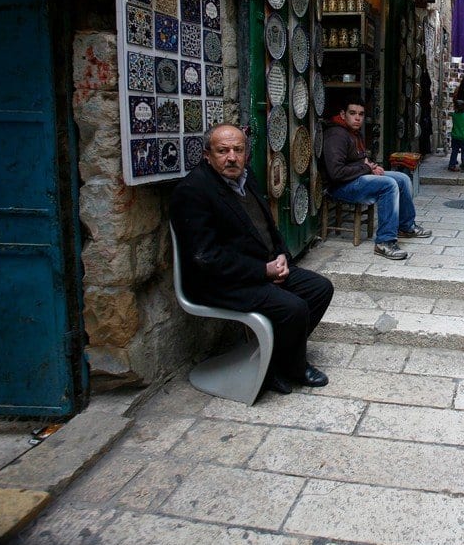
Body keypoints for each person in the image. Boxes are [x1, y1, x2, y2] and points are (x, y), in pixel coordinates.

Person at [170, 124, 334, 396]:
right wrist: (263, 270)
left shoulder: (246, 177)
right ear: (207, 155)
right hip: (219, 282)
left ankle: (275, 363)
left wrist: (281, 255)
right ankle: (294, 367)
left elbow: (269, 227)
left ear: (246, 153)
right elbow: (206, 258)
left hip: (260, 268)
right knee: (293, 308)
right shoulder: (193, 191)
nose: (231, 157)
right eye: (223, 151)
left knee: (320, 289)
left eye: (238, 149)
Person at [320, 95, 432, 260]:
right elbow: (336, 173)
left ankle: (406, 226)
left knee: (402, 179)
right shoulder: (336, 135)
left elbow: (359, 161)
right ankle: (384, 242)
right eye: (353, 113)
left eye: (361, 114)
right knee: (388, 184)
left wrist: (372, 167)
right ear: (343, 115)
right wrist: (366, 168)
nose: (358, 117)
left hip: (357, 178)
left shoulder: (354, 133)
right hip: (340, 187)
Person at [447, 99, 464, 171]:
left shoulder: (455, 116)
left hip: (455, 137)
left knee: (454, 151)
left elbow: (451, 114)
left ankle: (451, 165)